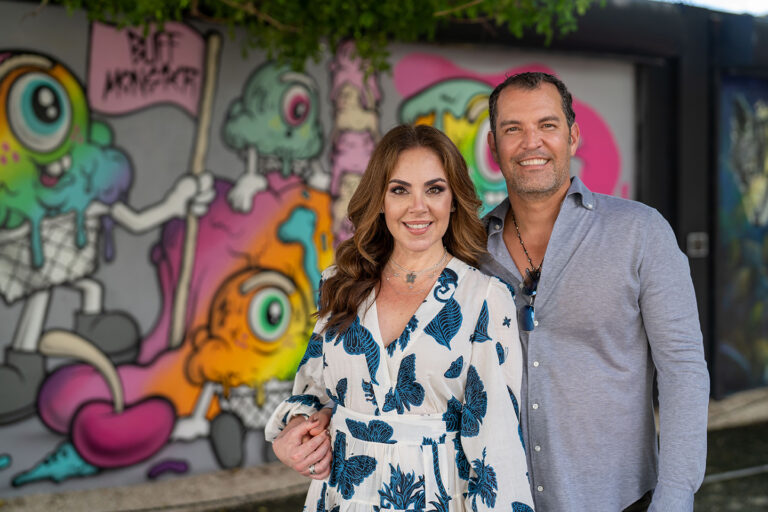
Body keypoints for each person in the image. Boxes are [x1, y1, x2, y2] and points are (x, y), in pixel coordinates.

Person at [265, 124, 535, 511]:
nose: (418, 206)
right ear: (380, 200)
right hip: (341, 498)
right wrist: (296, 431)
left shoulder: (484, 299)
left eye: (435, 189)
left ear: (454, 200)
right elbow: (313, 392)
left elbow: (497, 448)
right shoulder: (340, 284)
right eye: (400, 189)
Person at [479, 72, 710, 511]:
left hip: (621, 500)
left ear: (573, 135)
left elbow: (683, 369)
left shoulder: (640, 231)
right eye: (513, 129)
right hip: (500, 499)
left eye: (547, 125)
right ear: (494, 146)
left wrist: (676, 496)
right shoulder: (470, 249)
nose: (532, 143)